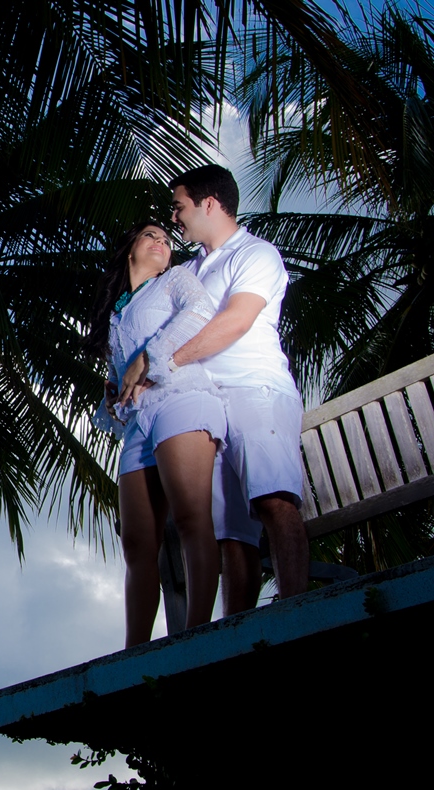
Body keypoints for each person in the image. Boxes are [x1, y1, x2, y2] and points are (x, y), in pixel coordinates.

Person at [121, 165, 309, 614]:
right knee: (228, 532)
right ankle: (236, 634)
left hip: (253, 389)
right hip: (205, 405)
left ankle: (298, 616)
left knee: (273, 499)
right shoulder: (190, 270)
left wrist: (157, 363)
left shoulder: (254, 254)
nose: (175, 217)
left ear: (208, 203)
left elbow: (236, 320)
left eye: (179, 206)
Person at [86, 221, 225, 647]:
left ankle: (197, 634)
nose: (163, 243)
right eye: (152, 236)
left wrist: (149, 356)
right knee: (137, 543)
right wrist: (111, 392)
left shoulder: (177, 280)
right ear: (129, 248)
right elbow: (120, 373)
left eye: (167, 238)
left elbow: (200, 312)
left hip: (180, 399)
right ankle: (135, 651)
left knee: (189, 517)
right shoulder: (117, 311)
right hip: (137, 425)